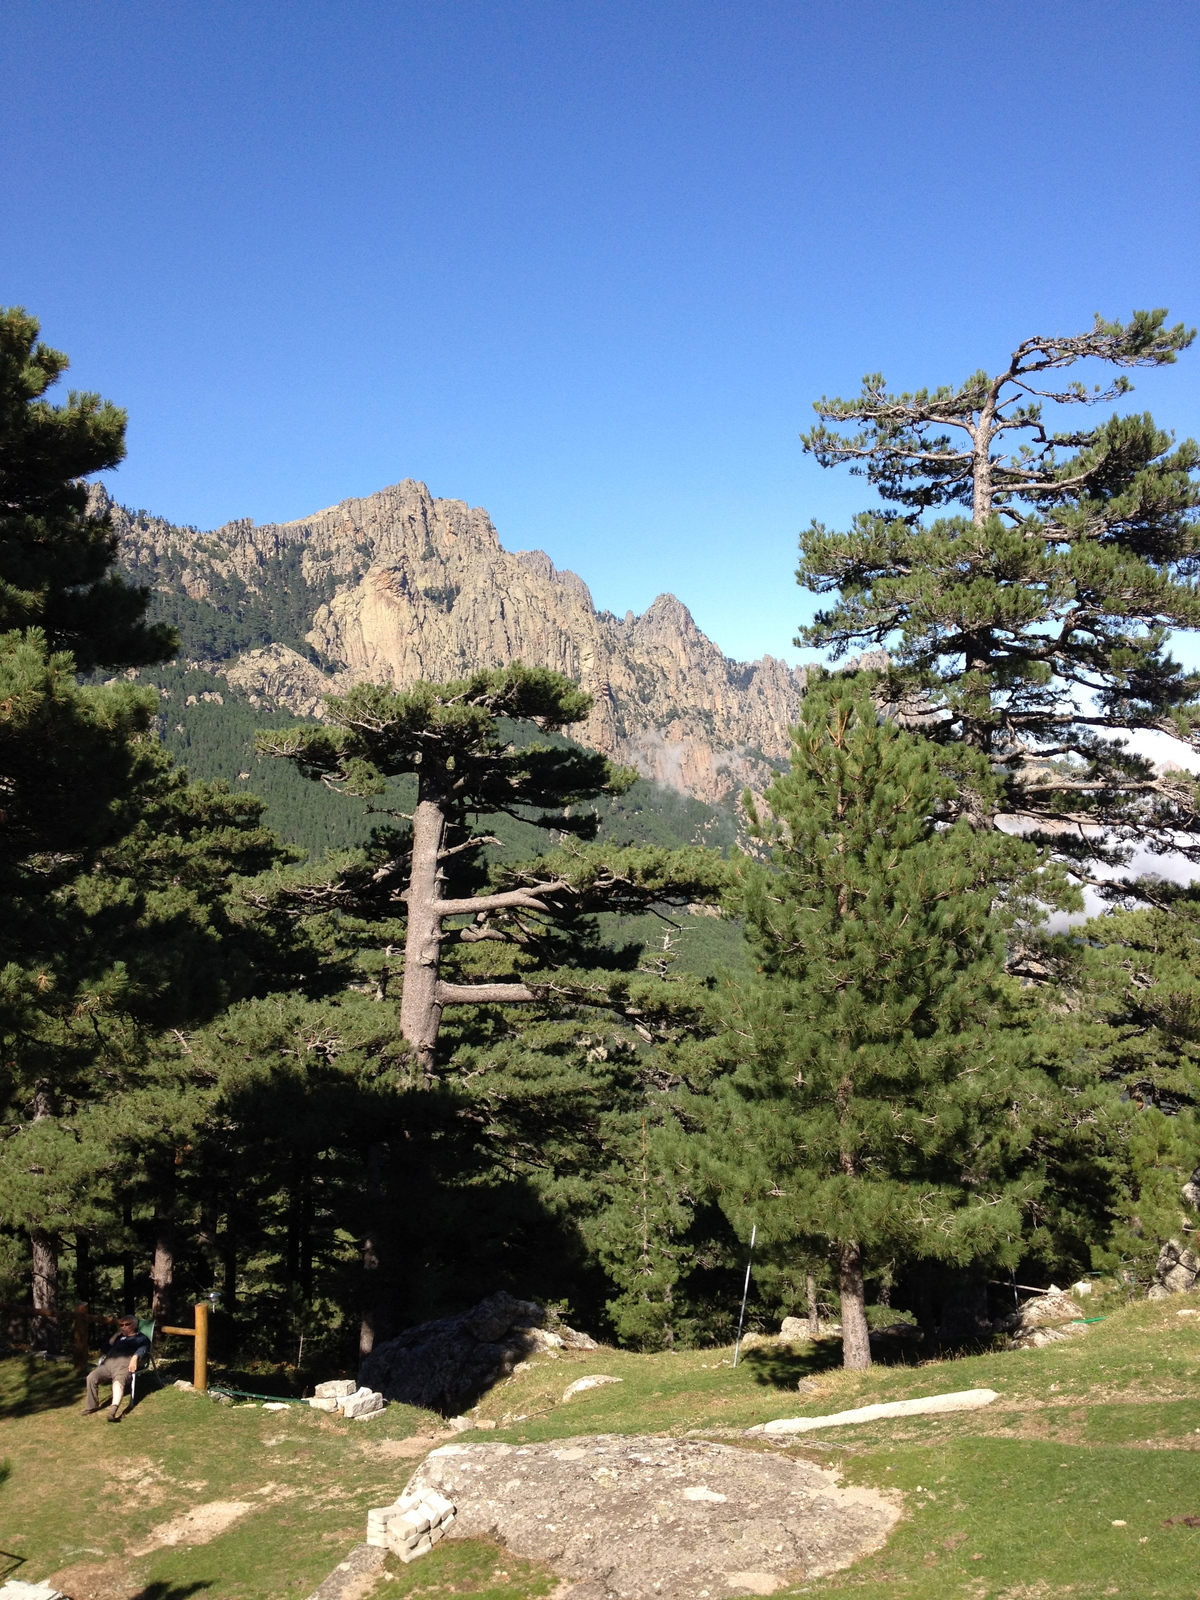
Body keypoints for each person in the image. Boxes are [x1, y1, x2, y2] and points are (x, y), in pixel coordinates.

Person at [83, 1314, 151, 1420]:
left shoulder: (141, 1338)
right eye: (121, 1325)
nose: (123, 1327)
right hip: (108, 1363)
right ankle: (92, 1406)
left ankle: (113, 1410)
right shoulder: (119, 1337)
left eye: (126, 1324)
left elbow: (143, 1349)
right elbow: (105, 1349)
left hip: (124, 1364)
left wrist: (134, 1358)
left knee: (118, 1383)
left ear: (134, 1325)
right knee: (91, 1377)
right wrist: (115, 1335)